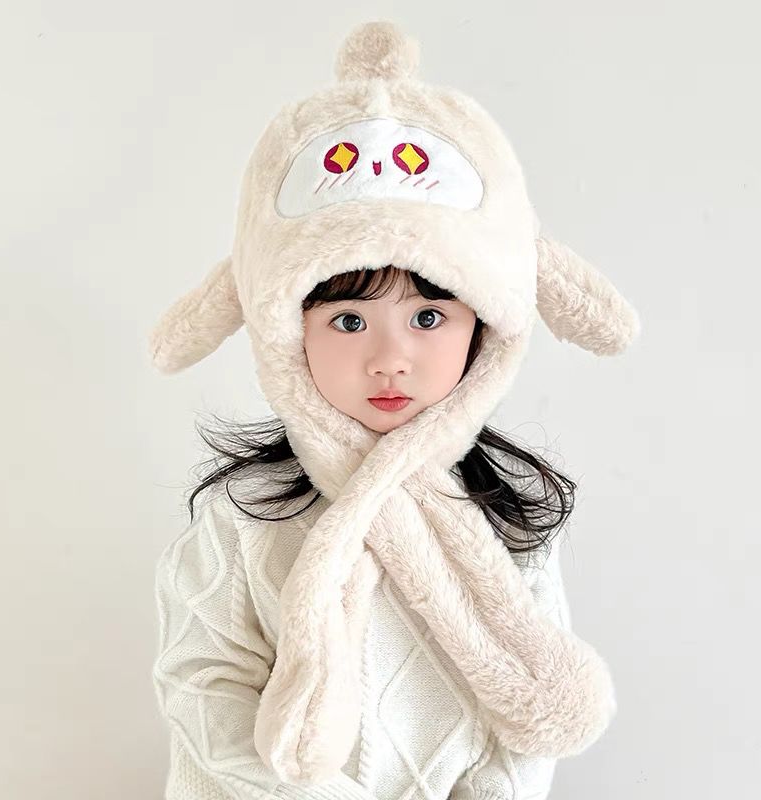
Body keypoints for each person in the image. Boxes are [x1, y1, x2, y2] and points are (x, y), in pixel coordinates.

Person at [148, 20, 640, 800]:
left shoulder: (508, 515)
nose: (389, 358)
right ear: (286, 332)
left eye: (428, 317)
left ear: (486, 328)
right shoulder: (243, 516)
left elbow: (520, 735)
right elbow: (203, 683)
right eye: (348, 320)